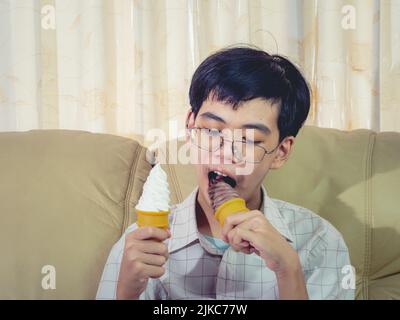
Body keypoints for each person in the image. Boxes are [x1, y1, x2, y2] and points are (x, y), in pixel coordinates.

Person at [96, 45, 354, 300]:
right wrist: (126, 293)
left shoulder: (320, 243)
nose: (226, 151)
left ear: (281, 152)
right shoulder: (139, 246)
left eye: (249, 138)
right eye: (211, 130)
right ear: (190, 127)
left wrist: (289, 271)